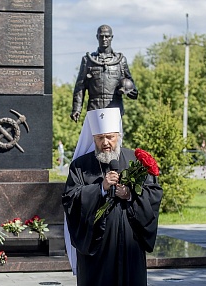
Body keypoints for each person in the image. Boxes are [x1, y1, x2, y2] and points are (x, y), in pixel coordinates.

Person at [62, 108, 163, 286]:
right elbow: (71, 199)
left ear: (118, 135)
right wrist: (100, 188)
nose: (106, 143)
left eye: (110, 137)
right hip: (97, 247)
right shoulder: (80, 166)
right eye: (100, 138)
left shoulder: (135, 160)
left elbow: (153, 193)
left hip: (129, 242)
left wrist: (130, 194)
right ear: (94, 139)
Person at [70, 24, 138, 122]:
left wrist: (129, 90)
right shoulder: (88, 60)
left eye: (107, 36)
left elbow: (132, 87)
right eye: (101, 36)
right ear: (97, 37)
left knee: (113, 137)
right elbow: (80, 86)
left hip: (114, 107)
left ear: (112, 37)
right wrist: (76, 109)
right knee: (96, 137)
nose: (104, 39)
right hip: (94, 108)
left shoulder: (120, 60)